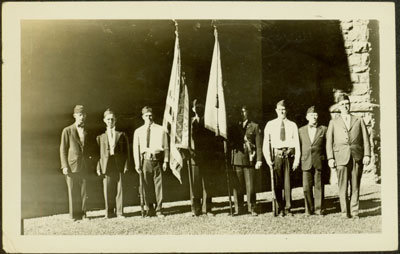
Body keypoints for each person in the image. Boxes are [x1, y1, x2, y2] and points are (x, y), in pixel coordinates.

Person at [326, 94, 370, 219]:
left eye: (347, 104)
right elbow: (329, 142)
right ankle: (345, 212)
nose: (345, 106)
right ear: (339, 107)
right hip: (341, 157)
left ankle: (355, 211)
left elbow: (366, 139)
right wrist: (330, 158)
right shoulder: (333, 122)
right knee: (343, 186)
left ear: (349, 105)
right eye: (342, 104)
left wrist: (367, 155)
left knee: (355, 185)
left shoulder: (359, 119)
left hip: (356, 156)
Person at [262, 100, 300, 217]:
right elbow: (265, 144)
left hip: (288, 156)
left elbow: (297, 144)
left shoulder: (292, 125)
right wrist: (268, 159)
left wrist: (297, 160)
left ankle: (288, 208)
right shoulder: (270, 124)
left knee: (288, 183)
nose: (282, 112)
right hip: (276, 157)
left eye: (284, 109)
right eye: (280, 110)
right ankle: (279, 207)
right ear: (276, 111)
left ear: (286, 110)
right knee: (277, 183)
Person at [133, 106, 169, 218]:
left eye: (150, 115)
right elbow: (136, 149)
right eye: (146, 116)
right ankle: (149, 208)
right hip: (146, 161)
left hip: (157, 160)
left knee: (159, 186)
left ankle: (159, 209)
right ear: (142, 117)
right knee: (146, 185)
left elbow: (166, 147)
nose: (149, 117)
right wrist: (137, 164)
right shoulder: (138, 131)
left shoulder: (161, 129)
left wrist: (166, 161)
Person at [60, 105, 94, 221]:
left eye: (84, 115)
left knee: (84, 190)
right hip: (71, 165)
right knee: (72, 190)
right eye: (79, 115)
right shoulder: (67, 130)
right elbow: (63, 149)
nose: (82, 117)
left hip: (84, 164)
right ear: (75, 116)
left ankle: (84, 214)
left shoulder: (87, 131)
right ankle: (73, 215)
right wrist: (64, 166)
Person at [96, 109, 130, 219]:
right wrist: (98, 167)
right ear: (104, 121)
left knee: (120, 188)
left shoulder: (121, 135)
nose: (110, 121)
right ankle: (109, 212)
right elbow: (98, 154)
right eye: (108, 119)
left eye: (112, 119)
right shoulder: (100, 137)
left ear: (115, 120)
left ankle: (120, 212)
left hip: (118, 163)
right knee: (107, 188)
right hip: (106, 164)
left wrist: (126, 165)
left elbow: (126, 152)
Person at [231, 106, 262, 216]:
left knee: (251, 186)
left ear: (248, 112)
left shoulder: (254, 126)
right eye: (241, 111)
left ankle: (252, 207)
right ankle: (238, 208)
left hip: (249, 159)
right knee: (238, 186)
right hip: (238, 158)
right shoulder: (235, 127)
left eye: (244, 111)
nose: (242, 113)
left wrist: (259, 160)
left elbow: (258, 145)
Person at [298, 106, 327, 216]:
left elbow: (327, 145)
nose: (314, 117)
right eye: (311, 115)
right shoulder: (301, 130)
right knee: (306, 187)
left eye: (315, 115)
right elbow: (299, 145)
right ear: (307, 117)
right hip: (306, 161)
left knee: (319, 186)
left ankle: (318, 209)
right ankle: (308, 209)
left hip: (318, 161)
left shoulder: (323, 129)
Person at [187, 99, 214, 216]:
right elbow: (186, 140)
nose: (198, 109)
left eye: (200, 107)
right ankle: (195, 209)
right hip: (193, 157)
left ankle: (207, 208)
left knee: (207, 183)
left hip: (206, 157)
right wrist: (190, 152)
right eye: (195, 107)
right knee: (195, 184)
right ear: (192, 109)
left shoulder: (208, 122)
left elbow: (212, 139)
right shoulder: (188, 123)